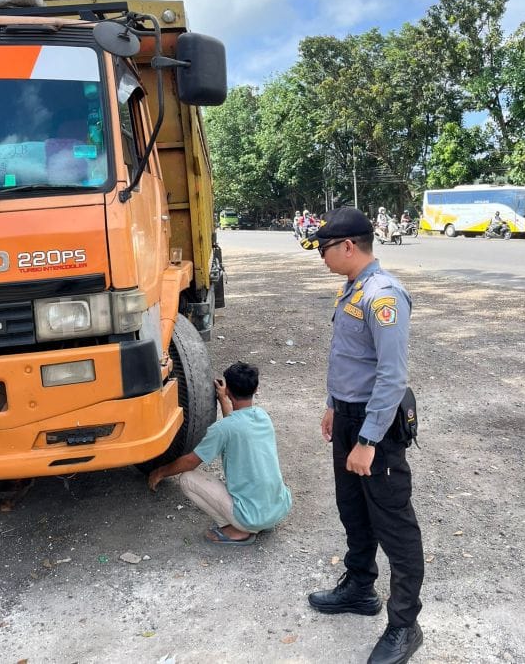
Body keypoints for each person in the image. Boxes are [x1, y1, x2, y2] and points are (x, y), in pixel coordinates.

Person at [303, 207, 424, 664]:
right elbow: (350, 358)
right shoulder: (353, 288)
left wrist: (368, 441)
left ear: (349, 246)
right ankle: (359, 587)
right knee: (352, 508)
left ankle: (405, 625)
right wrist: (333, 405)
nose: (321, 256)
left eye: (324, 248)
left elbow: (392, 377)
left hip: (378, 425)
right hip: (349, 417)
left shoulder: (383, 295)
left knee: (394, 524)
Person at [148, 361, 291, 544]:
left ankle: (238, 530)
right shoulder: (263, 416)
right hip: (278, 511)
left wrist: (160, 472)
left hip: (250, 519)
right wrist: (224, 399)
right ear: (256, 389)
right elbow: (234, 424)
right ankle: (259, 522)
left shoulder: (223, 429)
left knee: (187, 478)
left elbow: (191, 462)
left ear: (229, 390)